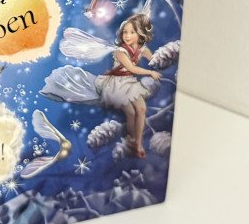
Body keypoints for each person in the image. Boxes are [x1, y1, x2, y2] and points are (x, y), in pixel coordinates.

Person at [42, 14, 161, 158]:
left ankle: (137, 142)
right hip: (118, 85)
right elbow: (132, 68)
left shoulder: (142, 49)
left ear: (139, 34)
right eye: (125, 32)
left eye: (132, 32)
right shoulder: (120, 51)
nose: (127, 35)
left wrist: (159, 59)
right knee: (131, 113)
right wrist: (150, 72)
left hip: (130, 83)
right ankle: (135, 142)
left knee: (141, 109)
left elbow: (154, 59)